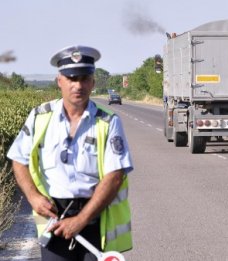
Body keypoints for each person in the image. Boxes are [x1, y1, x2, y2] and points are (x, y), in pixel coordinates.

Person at [7, 45, 133, 261]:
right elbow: (18, 160)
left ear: (93, 82)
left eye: (84, 78)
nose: (78, 85)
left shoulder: (108, 121)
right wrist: (33, 197)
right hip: (53, 223)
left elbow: (115, 177)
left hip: (95, 222)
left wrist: (81, 219)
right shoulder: (39, 117)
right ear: (59, 81)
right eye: (71, 78)